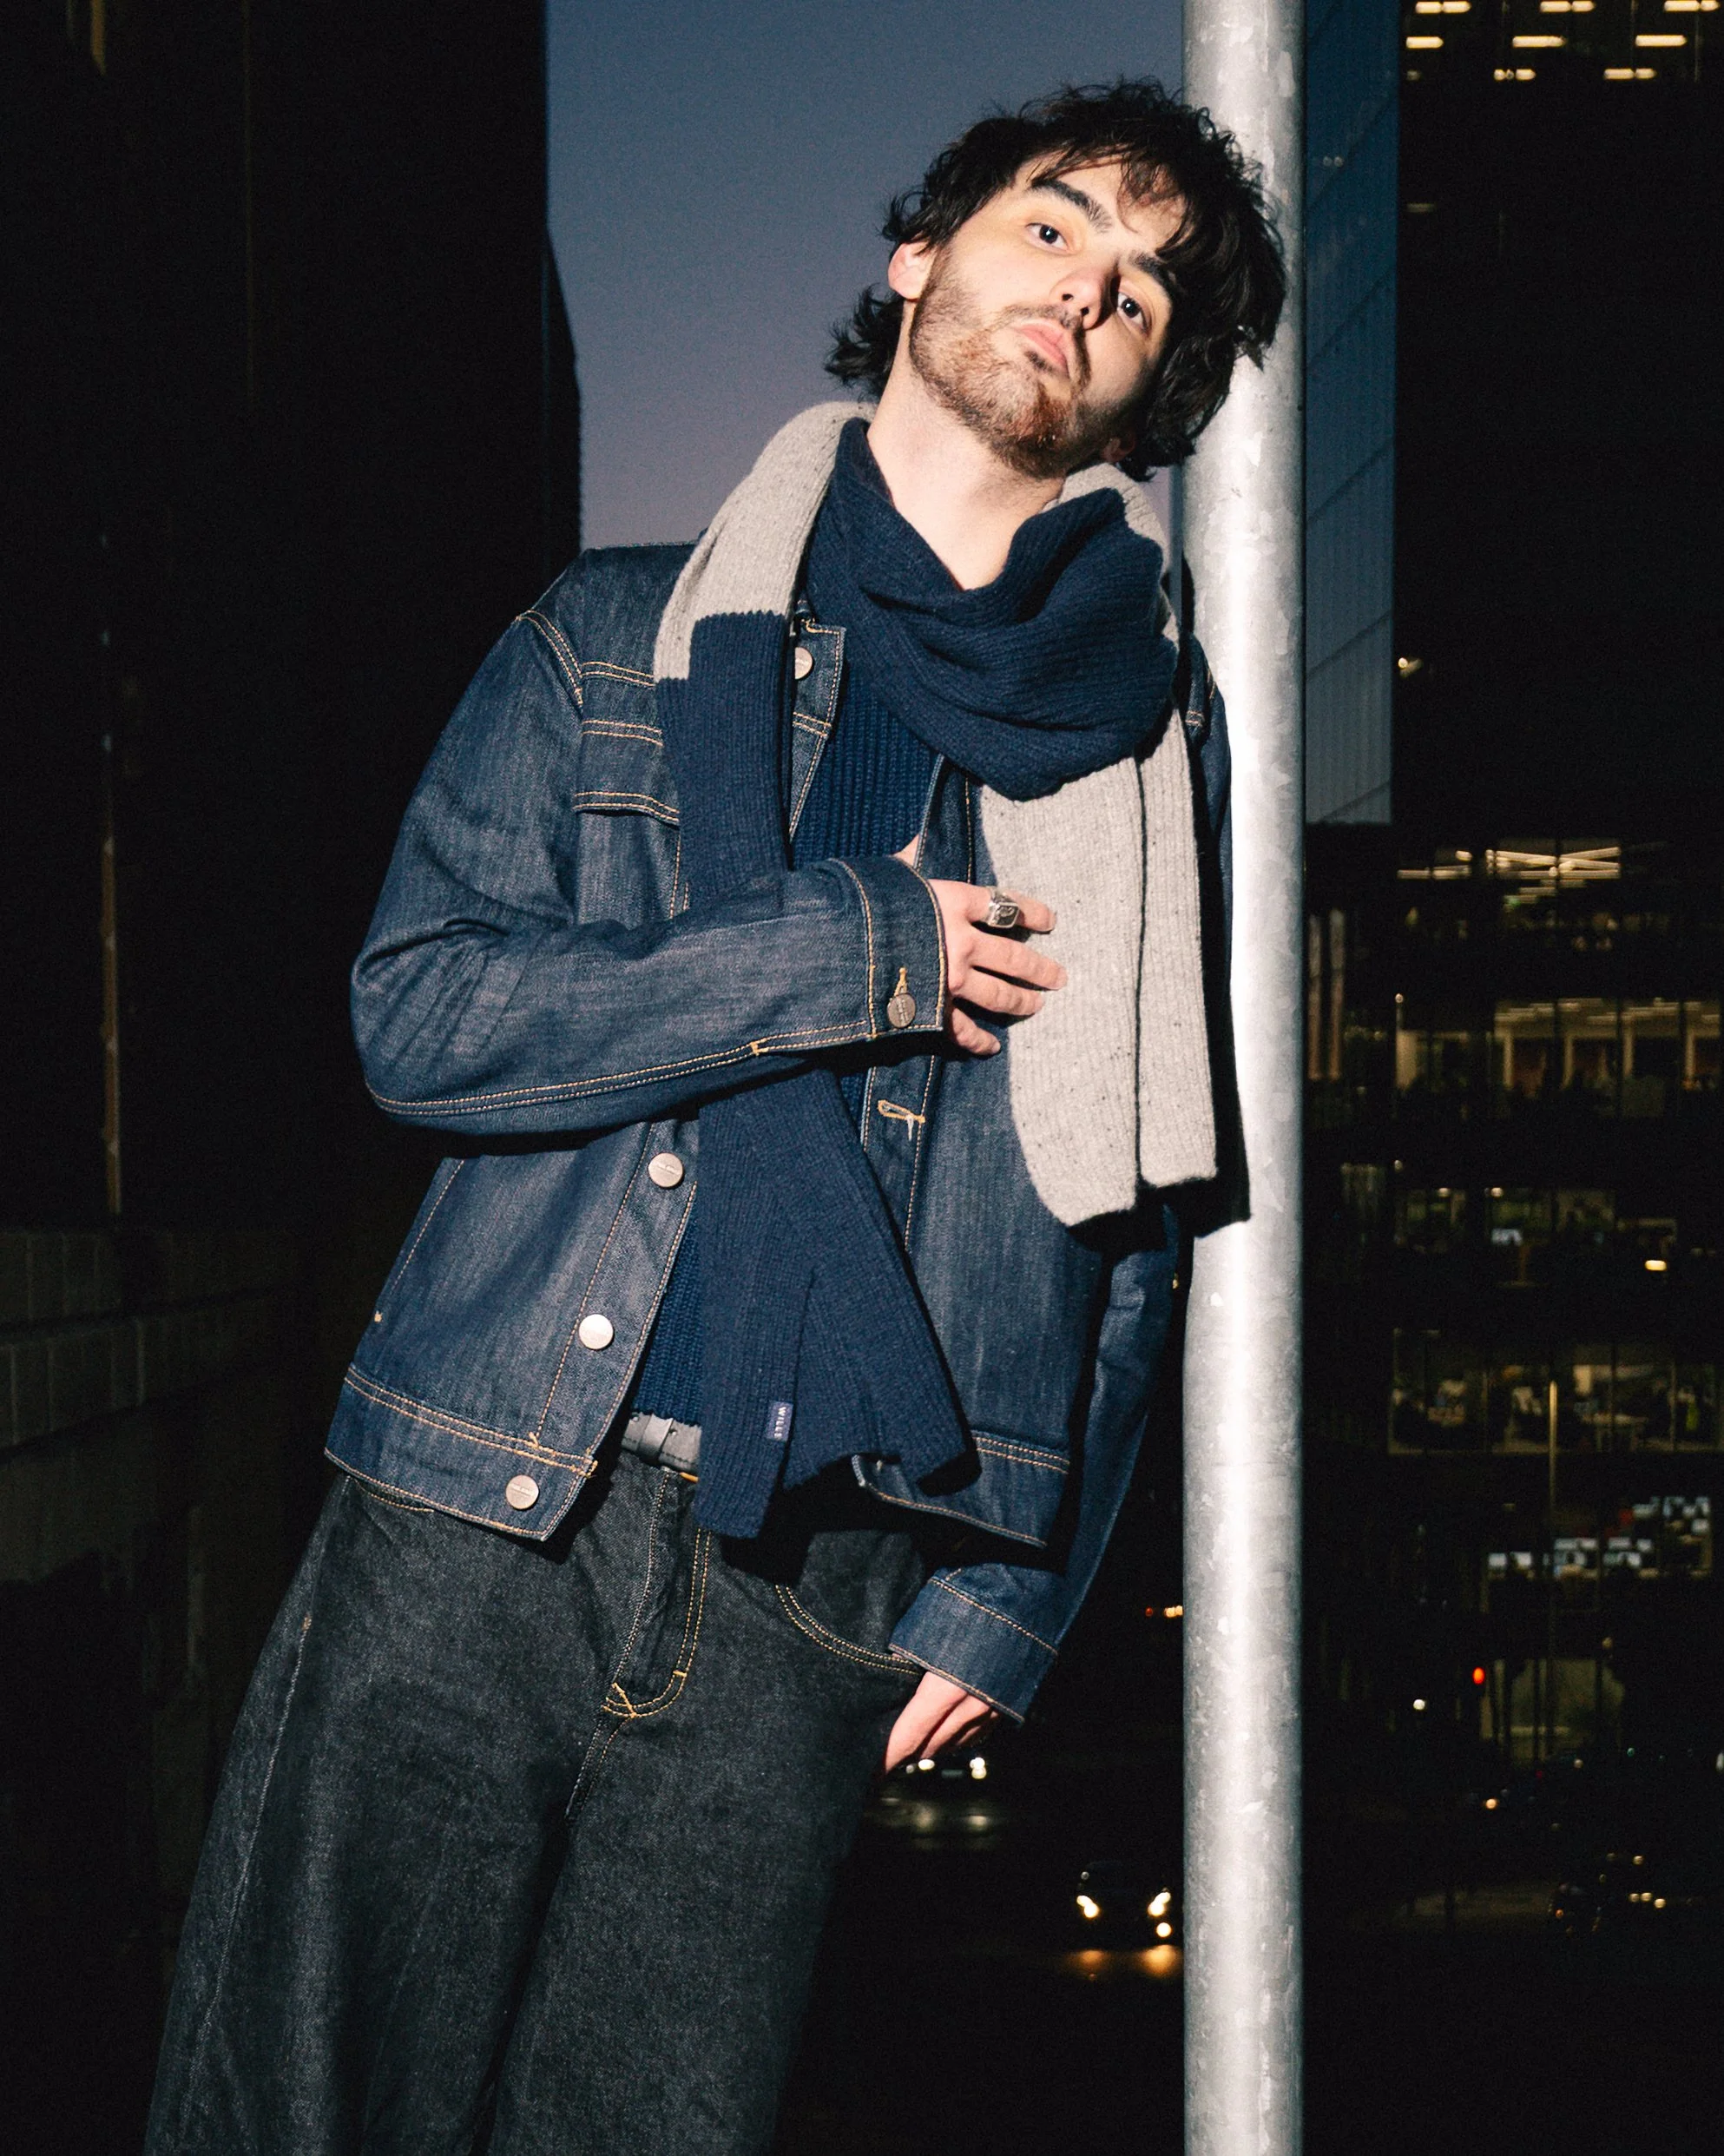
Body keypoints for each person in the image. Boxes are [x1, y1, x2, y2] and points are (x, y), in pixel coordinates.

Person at [145, 78, 1283, 2156]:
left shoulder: (1148, 744)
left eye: (1142, 295)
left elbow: (1143, 1210)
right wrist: (842, 953)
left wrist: (1015, 1590)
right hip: (482, 1507)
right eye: (1056, 228)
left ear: (1141, 404)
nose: (1091, 291)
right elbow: (422, 1014)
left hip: (824, 1588)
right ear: (919, 254)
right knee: (296, 2110)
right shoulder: (603, 634)